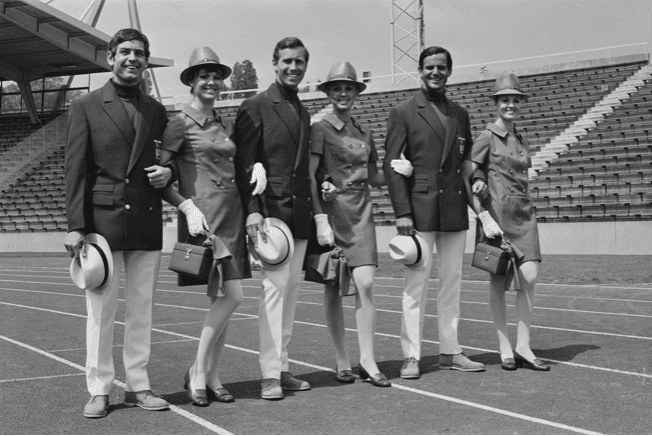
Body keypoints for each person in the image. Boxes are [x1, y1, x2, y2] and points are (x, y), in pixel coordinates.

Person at [64, 28, 172, 418]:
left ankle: (139, 385)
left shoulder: (157, 110)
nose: (132, 58)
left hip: (145, 218)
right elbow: (75, 168)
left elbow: (168, 157)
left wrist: (170, 172)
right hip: (102, 222)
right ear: (110, 57)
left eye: (139, 53)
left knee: (142, 310)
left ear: (146, 61)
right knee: (101, 311)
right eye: (125, 51)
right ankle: (99, 389)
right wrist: (76, 224)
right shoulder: (86, 105)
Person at [159, 47, 267, 406]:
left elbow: (242, 163)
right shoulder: (178, 123)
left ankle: (212, 376)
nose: (211, 82)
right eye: (204, 76)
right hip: (205, 219)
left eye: (216, 76)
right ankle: (197, 373)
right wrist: (185, 207)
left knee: (221, 300)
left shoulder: (226, 123)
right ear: (191, 81)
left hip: (233, 215)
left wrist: (256, 167)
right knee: (232, 297)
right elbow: (163, 177)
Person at [383, 46, 487, 379]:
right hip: (420, 208)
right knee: (416, 284)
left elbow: (467, 162)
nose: (435, 72)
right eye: (429, 67)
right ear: (420, 70)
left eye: (441, 67)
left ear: (449, 71)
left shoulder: (460, 114)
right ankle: (411, 355)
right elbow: (391, 165)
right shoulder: (403, 112)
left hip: (454, 206)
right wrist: (402, 211)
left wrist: (479, 180)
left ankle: (450, 351)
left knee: (452, 283)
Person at [308, 61, 413, 388]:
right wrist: (320, 211)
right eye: (337, 88)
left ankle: (367, 359)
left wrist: (400, 171)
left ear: (356, 93)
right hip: (332, 211)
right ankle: (342, 358)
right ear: (329, 93)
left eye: (349, 88)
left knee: (365, 283)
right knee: (333, 287)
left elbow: (373, 176)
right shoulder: (319, 129)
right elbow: (311, 175)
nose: (343, 93)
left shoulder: (364, 132)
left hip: (361, 212)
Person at [233, 37, 313, 400]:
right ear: (275, 63)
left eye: (299, 62)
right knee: (274, 294)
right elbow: (244, 163)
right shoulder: (255, 105)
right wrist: (252, 209)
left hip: (299, 213)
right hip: (271, 214)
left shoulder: (304, 110)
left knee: (291, 293)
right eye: (287, 61)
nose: (293, 67)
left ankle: (282, 366)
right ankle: (269, 374)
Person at [461, 72, 548, 372]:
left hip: (524, 215)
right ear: (496, 103)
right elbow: (467, 174)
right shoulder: (486, 136)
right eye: (504, 100)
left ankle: (523, 345)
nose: (510, 105)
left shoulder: (521, 138)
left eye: (515, 100)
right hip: (496, 217)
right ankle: (504, 346)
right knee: (498, 282)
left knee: (530, 277)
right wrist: (482, 212)